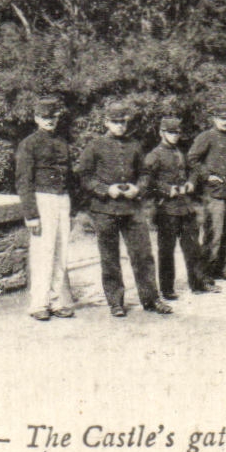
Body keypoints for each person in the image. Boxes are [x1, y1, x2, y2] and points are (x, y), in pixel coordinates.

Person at [72, 103, 171, 317]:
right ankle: (115, 302)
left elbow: (145, 173)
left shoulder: (135, 145)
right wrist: (106, 189)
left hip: (132, 209)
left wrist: (139, 187)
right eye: (115, 122)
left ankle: (151, 299)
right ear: (106, 122)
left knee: (143, 255)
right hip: (105, 209)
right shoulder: (95, 146)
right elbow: (84, 176)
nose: (119, 126)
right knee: (110, 257)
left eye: (123, 122)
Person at [15, 95, 77, 321]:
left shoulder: (62, 142)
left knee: (61, 252)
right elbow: (23, 181)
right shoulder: (28, 144)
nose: (49, 121)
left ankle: (57, 300)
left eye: (53, 117)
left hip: (62, 199)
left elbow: (70, 177)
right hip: (42, 200)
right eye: (45, 117)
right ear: (36, 118)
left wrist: (72, 209)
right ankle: (38, 303)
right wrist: (31, 214)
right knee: (43, 252)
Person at [144, 114, 219, 300]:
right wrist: (166, 189)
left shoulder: (180, 152)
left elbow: (193, 170)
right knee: (166, 251)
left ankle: (197, 283)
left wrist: (191, 183)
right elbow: (146, 181)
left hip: (186, 207)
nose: (175, 136)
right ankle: (167, 289)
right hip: (166, 209)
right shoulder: (154, 155)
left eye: (177, 133)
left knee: (193, 248)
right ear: (162, 133)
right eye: (171, 132)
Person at [190, 103, 226, 281]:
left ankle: (223, 267)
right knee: (214, 233)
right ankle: (206, 272)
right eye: (222, 118)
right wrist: (207, 175)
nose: (225, 122)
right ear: (214, 119)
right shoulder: (206, 137)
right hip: (214, 191)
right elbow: (192, 159)